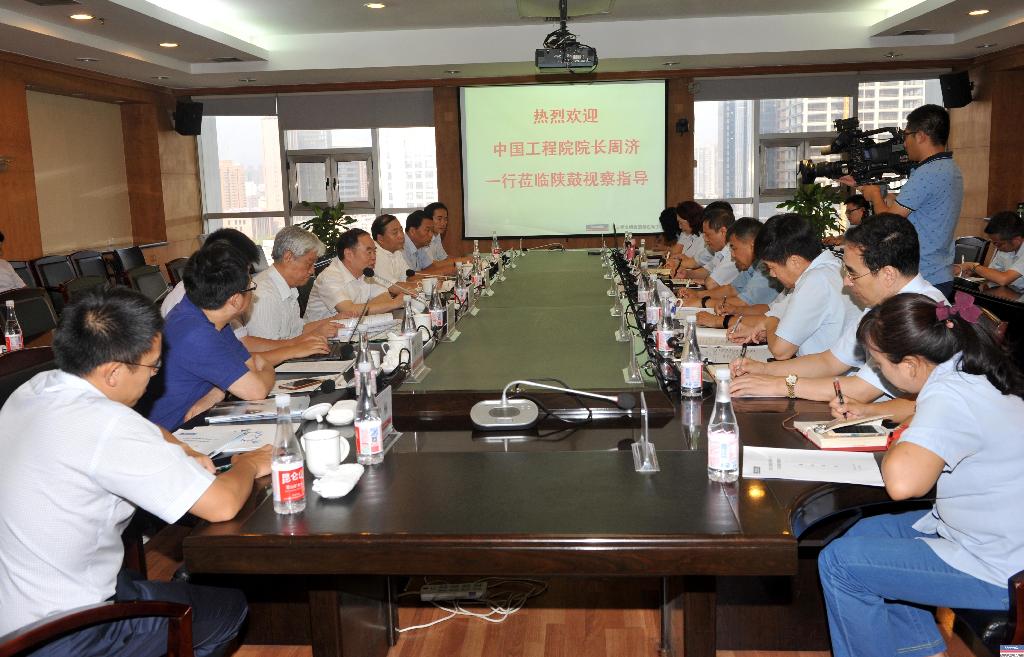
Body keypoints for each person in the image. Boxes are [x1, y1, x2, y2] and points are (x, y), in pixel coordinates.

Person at [0, 287, 271, 655]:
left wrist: (184, 449)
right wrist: (249, 463)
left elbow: (139, 428)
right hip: (62, 633)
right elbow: (221, 505)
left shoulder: (35, 388)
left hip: (18, 605)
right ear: (113, 372)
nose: (155, 376)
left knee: (167, 584)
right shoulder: (107, 425)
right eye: (153, 366)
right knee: (229, 607)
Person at [818, 291, 1024, 657]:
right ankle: (921, 650)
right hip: (994, 537)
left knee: (841, 563)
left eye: (880, 364)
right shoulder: (968, 368)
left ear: (911, 365)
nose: (878, 371)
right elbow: (928, 413)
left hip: (1000, 568)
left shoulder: (949, 395)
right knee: (865, 532)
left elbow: (902, 485)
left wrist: (902, 436)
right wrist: (877, 413)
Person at [730, 213, 945, 421]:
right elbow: (830, 361)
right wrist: (763, 369)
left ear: (887, 274)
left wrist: (779, 385)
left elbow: (861, 390)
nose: (846, 282)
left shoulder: (921, 313)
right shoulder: (882, 304)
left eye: (853, 273)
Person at [141, 242, 276, 431]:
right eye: (251, 286)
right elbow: (256, 390)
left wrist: (217, 392)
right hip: (170, 434)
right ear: (235, 300)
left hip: (194, 423)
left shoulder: (203, 313)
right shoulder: (196, 333)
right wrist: (268, 367)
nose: (253, 292)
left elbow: (249, 366)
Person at [841, 104, 963, 297]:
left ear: (920, 135)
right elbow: (921, 207)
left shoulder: (928, 172)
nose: (904, 143)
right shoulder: (949, 167)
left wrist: (875, 196)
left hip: (923, 276)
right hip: (939, 272)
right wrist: (866, 187)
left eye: (906, 135)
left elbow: (890, 223)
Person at [163, 228, 329, 365]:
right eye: (244, 268)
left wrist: (297, 345)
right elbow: (240, 360)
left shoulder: (221, 294)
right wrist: (294, 348)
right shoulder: (192, 298)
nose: (248, 278)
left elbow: (242, 344)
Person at [728, 213, 860, 359]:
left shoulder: (816, 281)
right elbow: (776, 313)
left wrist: (769, 323)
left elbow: (780, 351)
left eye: (772, 267)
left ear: (795, 261)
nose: (772, 274)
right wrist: (760, 329)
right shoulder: (825, 270)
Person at [245, 226, 351, 341]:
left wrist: (334, 319)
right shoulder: (264, 295)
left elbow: (298, 331)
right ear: (288, 257)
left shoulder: (289, 287)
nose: (312, 271)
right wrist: (315, 335)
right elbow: (267, 347)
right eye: (309, 263)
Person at [692, 218, 783, 328]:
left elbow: (747, 303)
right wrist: (697, 295)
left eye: (734, 248)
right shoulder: (755, 264)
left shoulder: (767, 267)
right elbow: (733, 289)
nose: (732, 255)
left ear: (753, 245)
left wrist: (715, 317)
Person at [304, 228, 405, 322]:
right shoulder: (329, 277)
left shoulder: (366, 271)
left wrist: (360, 309)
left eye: (374, 251)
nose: (374, 257)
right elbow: (348, 311)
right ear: (349, 254)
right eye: (369, 252)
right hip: (321, 333)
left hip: (352, 330)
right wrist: (393, 304)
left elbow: (385, 298)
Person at [955, 210, 1024, 292]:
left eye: (998, 244)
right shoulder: (1005, 248)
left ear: (1017, 240)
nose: (996, 247)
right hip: (1008, 292)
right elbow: (994, 272)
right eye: (993, 243)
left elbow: (1003, 279)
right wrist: (972, 271)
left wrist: (972, 266)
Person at [675, 204, 738, 289]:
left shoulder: (732, 253)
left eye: (708, 235)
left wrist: (706, 281)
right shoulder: (720, 250)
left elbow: (711, 284)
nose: (705, 239)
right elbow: (707, 270)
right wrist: (687, 274)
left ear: (723, 231)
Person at [371, 214, 416, 297]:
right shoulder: (375, 255)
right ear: (380, 239)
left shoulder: (396, 251)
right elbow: (394, 287)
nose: (401, 236)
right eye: (395, 233)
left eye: (401, 230)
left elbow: (408, 277)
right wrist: (425, 284)